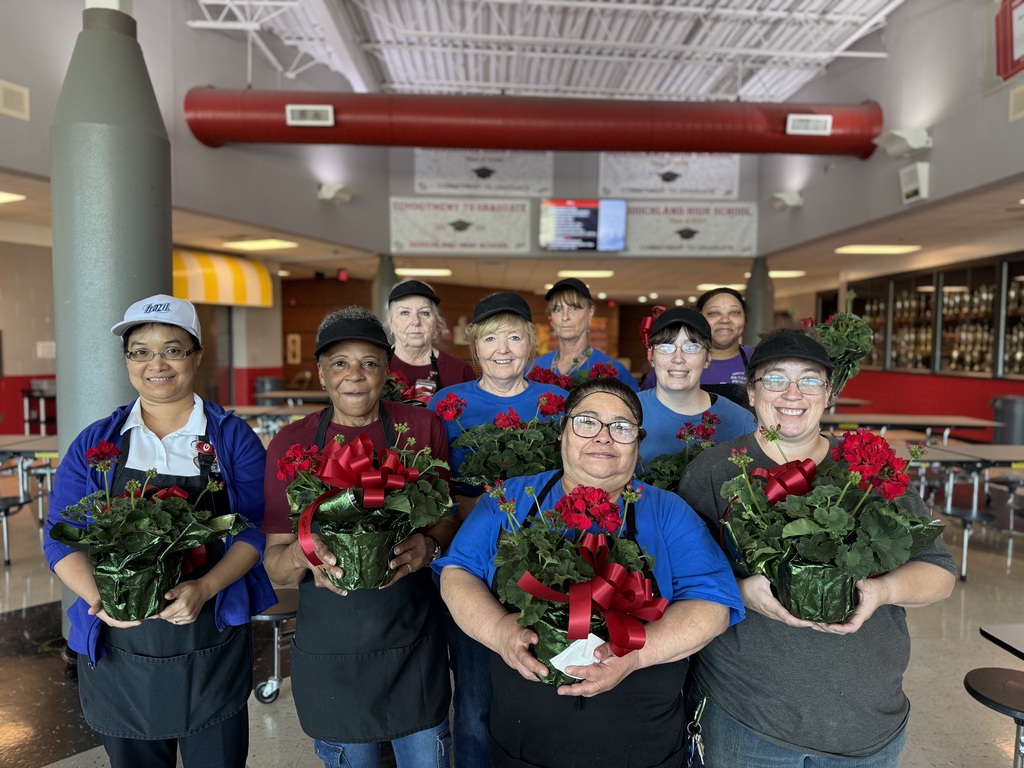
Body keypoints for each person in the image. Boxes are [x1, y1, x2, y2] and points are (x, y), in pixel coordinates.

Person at [677, 330, 957, 767]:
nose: (792, 394)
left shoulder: (869, 468)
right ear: (751, 392)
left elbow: (939, 573)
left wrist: (881, 591)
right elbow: (679, 583)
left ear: (829, 393)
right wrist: (741, 591)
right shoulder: (712, 472)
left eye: (809, 380)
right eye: (775, 379)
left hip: (867, 721)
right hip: (747, 719)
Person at [437, 377, 745, 767]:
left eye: (622, 427)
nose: (603, 436)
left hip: (642, 747)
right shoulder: (510, 500)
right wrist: (499, 630)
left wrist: (635, 657)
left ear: (637, 442)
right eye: (587, 422)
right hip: (523, 745)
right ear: (562, 430)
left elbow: (712, 607)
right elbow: (457, 574)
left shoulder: (668, 512)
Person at [43, 294, 276, 768]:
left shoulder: (231, 438)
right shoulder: (98, 442)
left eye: (172, 349)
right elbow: (59, 535)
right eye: (141, 352)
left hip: (208, 636)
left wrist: (205, 588)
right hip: (120, 647)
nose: (156, 364)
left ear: (196, 355)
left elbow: (253, 531)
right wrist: (101, 599)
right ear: (128, 360)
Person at [262, 306, 457, 768]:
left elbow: (447, 520)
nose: (355, 375)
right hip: (333, 653)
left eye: (369, 362)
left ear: (387, 370)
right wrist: (304, 556)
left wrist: (429, 546)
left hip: (413, 644)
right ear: (321, 373)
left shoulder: (421, 428)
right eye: (339, 363)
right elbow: (275, 567)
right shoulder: (292, 443)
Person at [427, 291, 570, 768]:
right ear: (475, 347)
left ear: (532, 343)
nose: (503, 349)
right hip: (471, 564)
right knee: (475, 694)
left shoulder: (557, 403)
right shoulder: (446, 405)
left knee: (545, 681)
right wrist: (482, 508)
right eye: (490, 339)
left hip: (545, 560)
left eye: (514, 337)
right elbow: (429, 487)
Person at [637, 306, 756, 468]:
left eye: (691, 348)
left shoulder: (741, 422)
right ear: (651, 355)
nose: (678, 359)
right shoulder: (627, 412)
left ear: (708, 358)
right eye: (666, 347)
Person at [641, 288, 753, 408]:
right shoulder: (668, 368)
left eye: (735, 312)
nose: (725, 320)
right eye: (714, 313)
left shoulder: (757, 359)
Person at [531, 277, 638, 389]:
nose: (565, 317)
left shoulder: (613, 371)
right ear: (552, 318)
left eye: (573, 308)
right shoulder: (533, 369)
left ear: (590, 312)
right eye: (558, 309)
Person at [385, 279, 476, 404]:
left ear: (436, 322)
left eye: (424, 313)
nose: (416, 321)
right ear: (390, 321)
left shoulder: (460, 371)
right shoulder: (373, 366)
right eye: (405, 313)